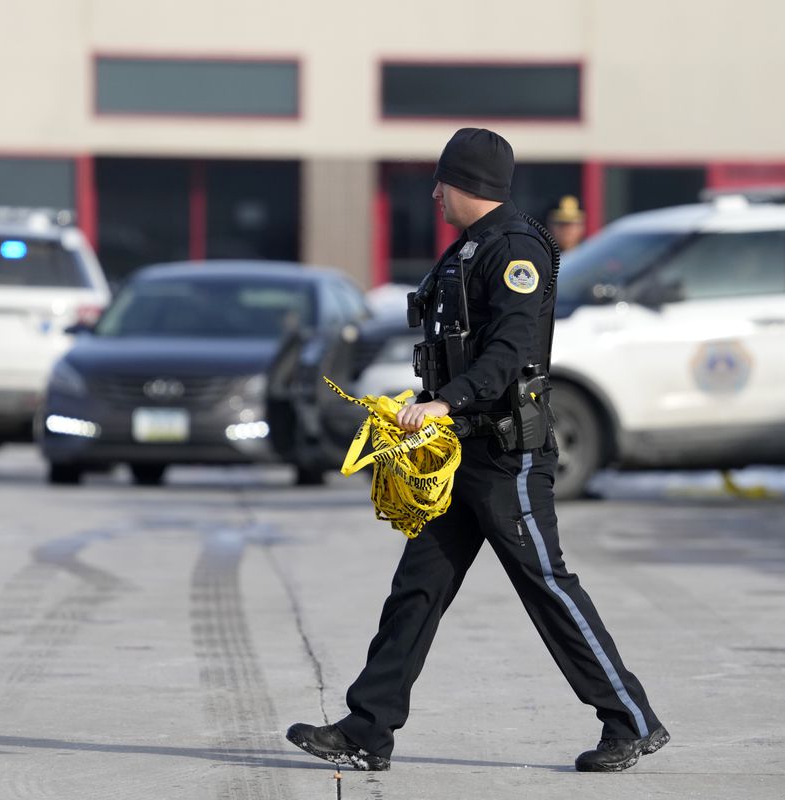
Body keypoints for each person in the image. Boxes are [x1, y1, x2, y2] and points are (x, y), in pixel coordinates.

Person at [286, 128, 668, 773]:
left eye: (440, 181)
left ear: (467, 184)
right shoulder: (470, 248)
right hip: (458, 456)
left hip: (504, 455)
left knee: (546, 584)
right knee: (416, 589)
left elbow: (510, 351)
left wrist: (446, 402)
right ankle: (367, 728)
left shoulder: (516, 249)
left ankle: (631, 720)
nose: (433, 194)